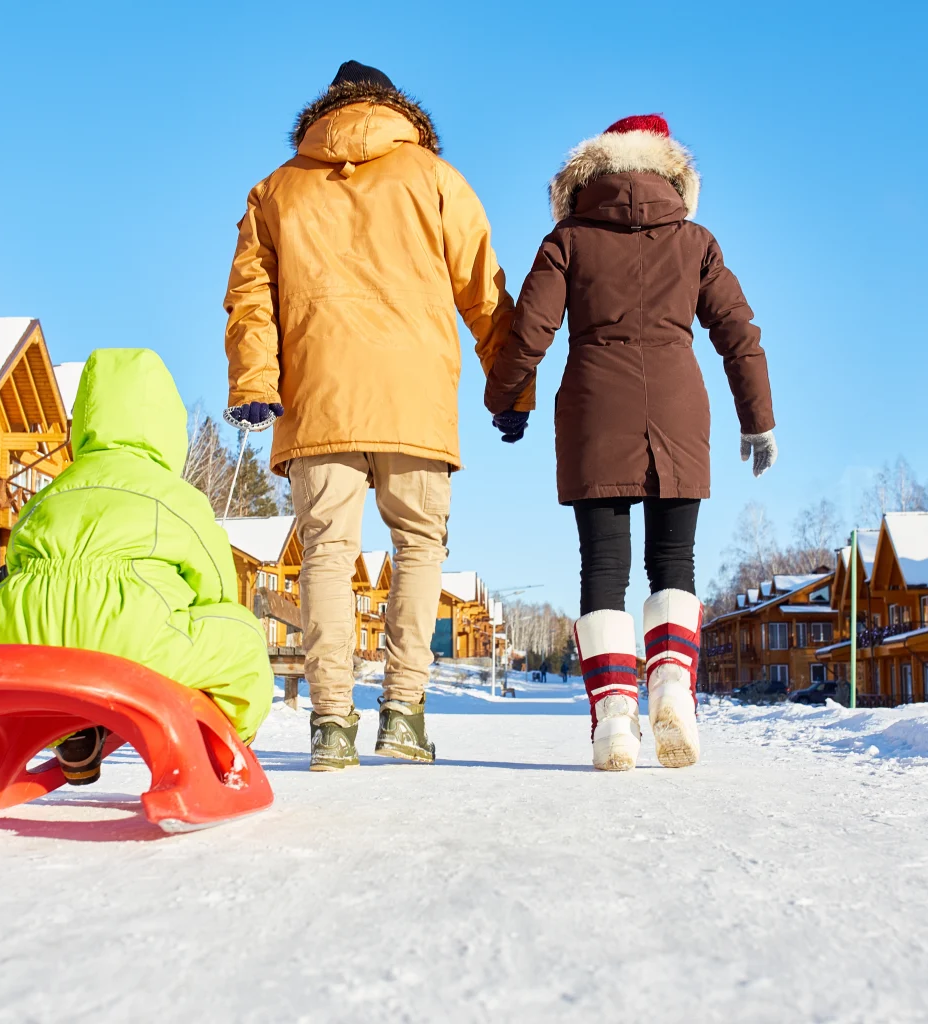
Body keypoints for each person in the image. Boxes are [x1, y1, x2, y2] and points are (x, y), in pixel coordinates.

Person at [223, 60, 524, 771]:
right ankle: (404, 714)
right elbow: (485, 293)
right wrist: (509, 388)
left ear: (325, 110)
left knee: (326, 555)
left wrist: (255, 382)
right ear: (398, 109)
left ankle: (330, 724)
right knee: (420, 548)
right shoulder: (436, 181)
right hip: (414, 399)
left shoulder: (276, 189)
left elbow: (250, 299)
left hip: (318, 400)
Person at [484, 115, 776, 772]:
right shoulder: (695, 240)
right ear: (671, 172)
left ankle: (614, 717)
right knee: (675, 560)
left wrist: (506, 399)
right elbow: (738, 332)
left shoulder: (569, 239)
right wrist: (757, 418)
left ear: (591, 172)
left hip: (594, 408)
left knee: (603, 569)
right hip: (679, 406)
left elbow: (529, 330)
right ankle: (671, 683)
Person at [0, 349, 273, 785]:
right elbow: (217, 587)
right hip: (133, 640)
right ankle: (225, 746)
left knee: (64, 630)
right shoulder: (175, 496)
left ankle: (75, 734)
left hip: (20, 636)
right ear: (167, 427)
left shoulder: (50, 492)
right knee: (242, 636)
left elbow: (14, 562)